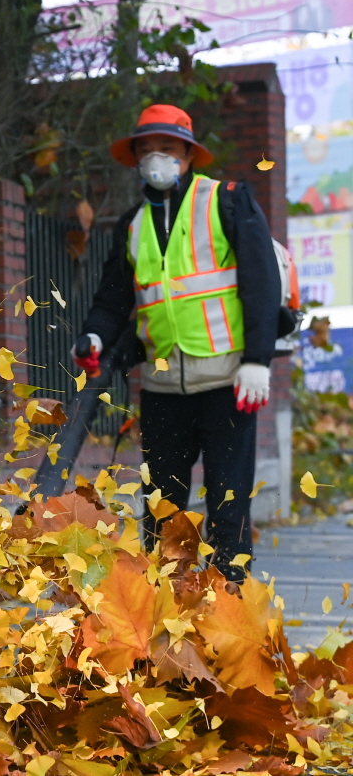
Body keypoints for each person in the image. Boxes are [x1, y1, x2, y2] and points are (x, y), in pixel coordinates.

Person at [72, 104, 280, 583]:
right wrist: (95, 335)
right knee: (162, 507)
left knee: (228, 502)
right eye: (145, 150)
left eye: (165, 148)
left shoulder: (226, 201)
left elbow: (260, 282)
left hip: (229, 381)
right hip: (163, 388)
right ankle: (165, 606)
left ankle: (231, 607)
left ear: (187, 153)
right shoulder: (133, 224)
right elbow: (112, 300)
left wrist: (258, 361)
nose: (154, 158)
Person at [295, 316, 346, 393]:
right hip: (309, 393)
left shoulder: (336, 349)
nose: (327, 330)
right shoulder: (304, 347)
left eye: (327, 328)